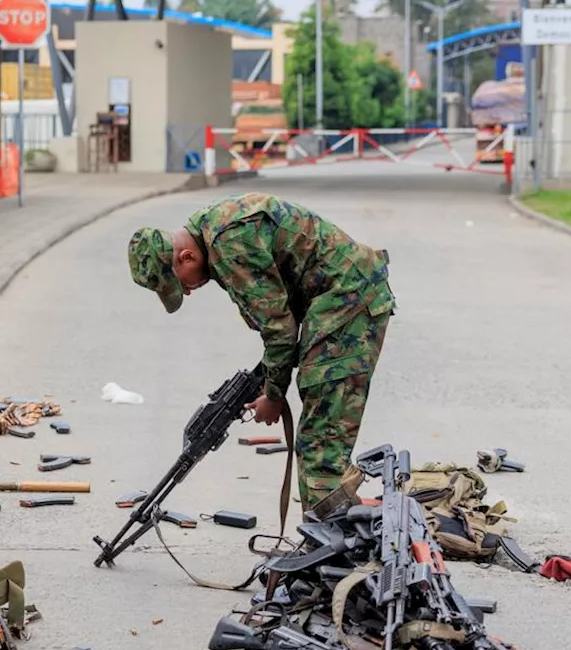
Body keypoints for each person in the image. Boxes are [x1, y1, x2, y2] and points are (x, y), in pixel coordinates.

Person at [127, 192, 395, 511]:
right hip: (335, 301)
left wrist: (273, 395)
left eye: (178, 283)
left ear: (185, 257)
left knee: (321, 442)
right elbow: (278, 314)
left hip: (348, 301)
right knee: (319, 437)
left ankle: (334, 544)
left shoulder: (228, 244)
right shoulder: (212, 232)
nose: (185, 290)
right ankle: (334, 533)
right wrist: (267, 381)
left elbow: (279, 330)